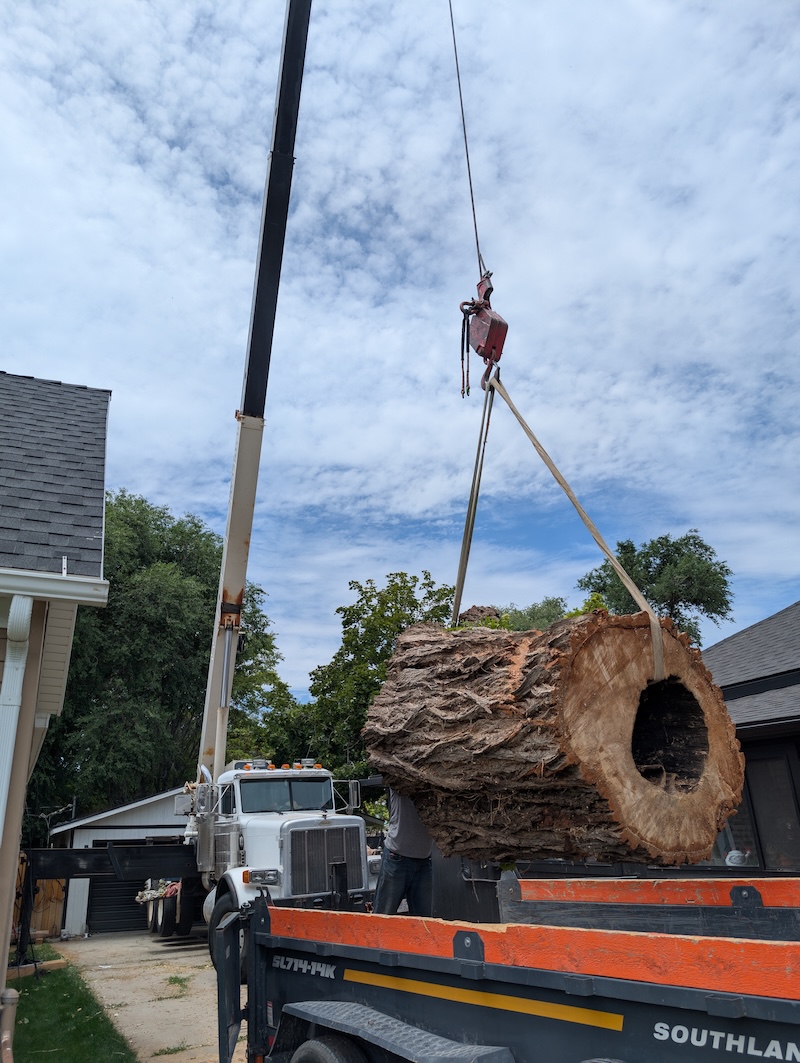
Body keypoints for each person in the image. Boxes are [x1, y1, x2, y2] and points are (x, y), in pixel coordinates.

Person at [373, 789, 433, 917]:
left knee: (424, 924)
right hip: (397, 857)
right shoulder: (400, 776)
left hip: (424, 859)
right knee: (383, 918)